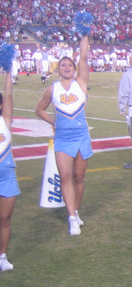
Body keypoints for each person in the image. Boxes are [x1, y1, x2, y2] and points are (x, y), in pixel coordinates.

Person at [34, 33, 91, 236]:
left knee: (79, 177)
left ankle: (76, 211)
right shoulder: (52, 89)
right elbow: (39, 109)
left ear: (75, 70)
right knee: (65, 176)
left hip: (82, 136)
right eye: (63, 65)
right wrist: (54, 122)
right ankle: (72, 218)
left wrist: (84, 34)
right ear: (58, 70)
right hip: (63, 139)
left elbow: (83, 57)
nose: (67, 68)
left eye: (70, 65)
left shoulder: (81, 83)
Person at [0, 70, 17, 271]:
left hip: (7, 176)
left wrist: (8, 73)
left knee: (5, 219)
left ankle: (2, 257)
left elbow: (9, 94)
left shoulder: (5, 121)